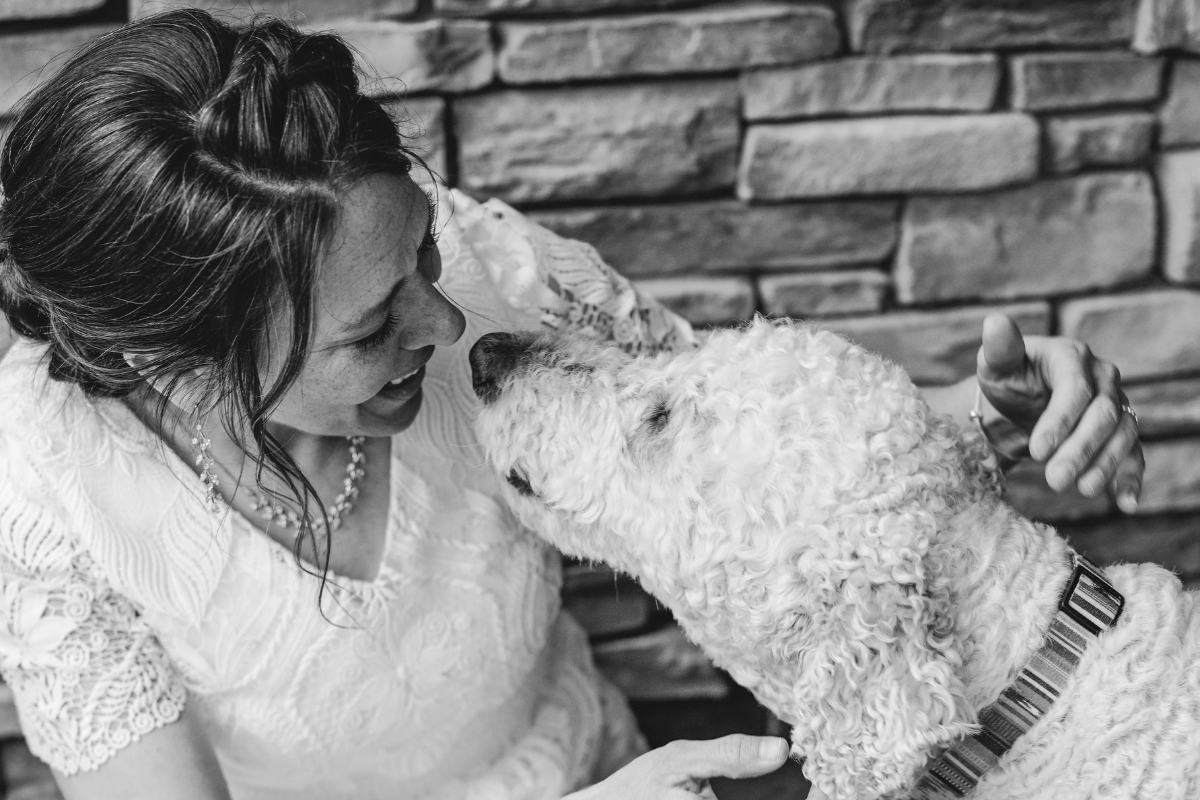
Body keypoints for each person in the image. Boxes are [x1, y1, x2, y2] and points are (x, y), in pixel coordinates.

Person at [0, 10, 1143, 800]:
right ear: (180, 361)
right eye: (367, 330)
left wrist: (985, 413)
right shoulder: (50, 502)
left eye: (424, 256)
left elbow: (714, 438)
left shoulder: (492, 274)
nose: (448, 328)